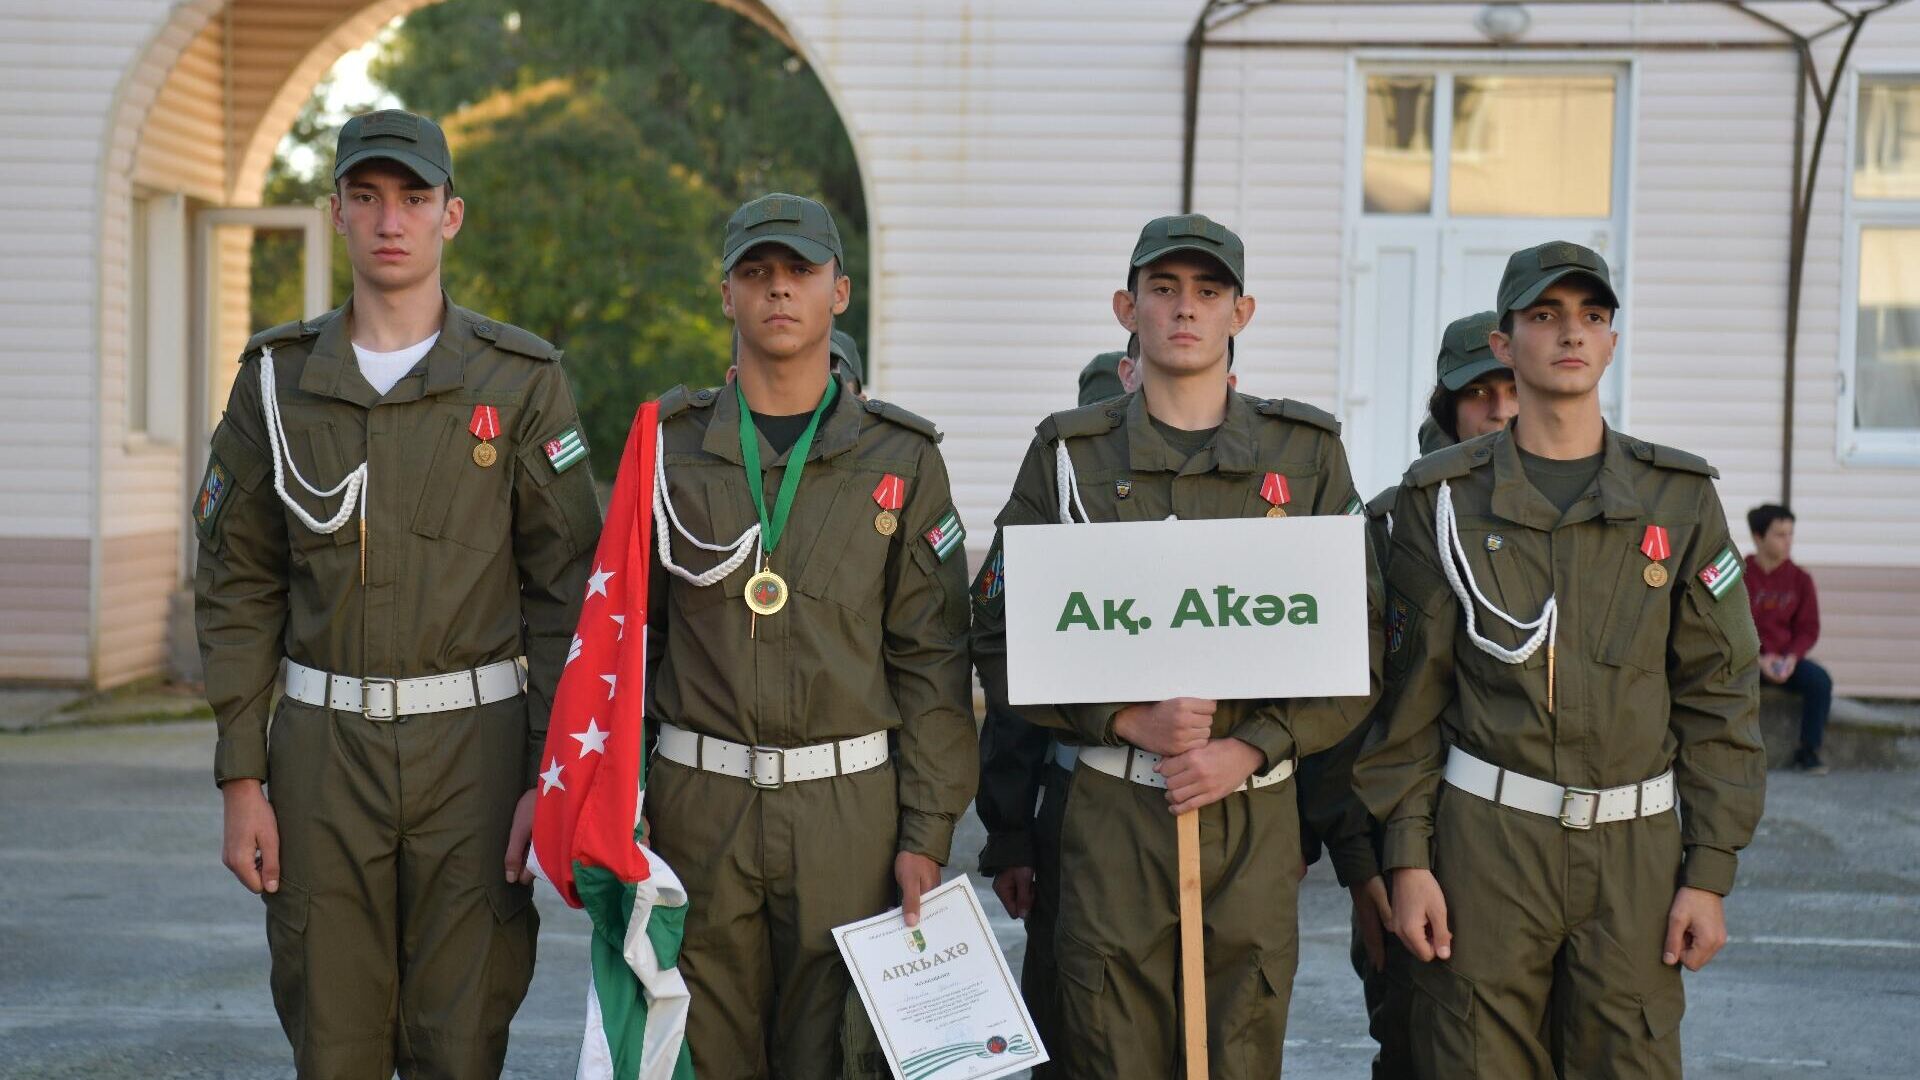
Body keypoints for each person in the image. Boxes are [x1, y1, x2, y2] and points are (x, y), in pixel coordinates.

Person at [195, 109, 601, 1077]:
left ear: (450, 216)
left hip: (477, 757)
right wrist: (241, 780)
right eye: (368, 197)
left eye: (414, 198)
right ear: (335, 211)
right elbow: (238, 586)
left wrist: (547, 779)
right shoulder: (276, 383)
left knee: (458, 1045)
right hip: (321, 761)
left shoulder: (520, 380)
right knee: (332, 1041)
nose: (391, 219)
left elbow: (565, 593)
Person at [971, 213, 1381, 1077]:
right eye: (1163, 290)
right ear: (1128, 307)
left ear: (1244, 311)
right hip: (1111, 815)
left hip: (1249, 809)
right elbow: (999, 635)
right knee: (1103, 1046)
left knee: (1237, 1047)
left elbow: (1361, 646)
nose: (1184, 309)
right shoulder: (1066, 457)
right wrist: (1122, 719)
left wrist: (1251, 747)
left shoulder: (1304, 457)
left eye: (1208, 291)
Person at [1355, 241, 1766, 1078]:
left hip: (1635, 855)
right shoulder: (1441, 500)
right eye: (1544, 316)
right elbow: (1408, 707)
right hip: (1486, 850)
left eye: (1591, 316)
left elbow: (1720, 695)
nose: (1570, 333)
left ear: (1611, 341)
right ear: (1505, 343)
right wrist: (1407, 859)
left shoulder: (1677, 500)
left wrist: (1710, 873)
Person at [641, 192, 976, 1078]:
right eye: (756, 273)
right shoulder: (666, 449)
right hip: (697, 802)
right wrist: (618, 814)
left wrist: (927, 832)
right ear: (726, 295)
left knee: (836, 1054)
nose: (777, 292)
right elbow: (632, 646)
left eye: (798, 273)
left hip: (847, 812)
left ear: (841, 291)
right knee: (698, 1050)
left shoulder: (902, 459)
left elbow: (931, 666)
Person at [1295, 309, 1513, 1079]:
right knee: (1417, 1046)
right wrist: (1362, 866)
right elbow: (1348, 713)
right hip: (1409, 848)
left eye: (1511, 387)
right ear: (1446, 407)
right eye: (1478, 392)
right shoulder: (1391, 528)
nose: (1499, 407)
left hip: (1528, 848)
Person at [971, 347, 1138, 1078]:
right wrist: (1010, 832)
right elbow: (1014, 699)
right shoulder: (1052, 504)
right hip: (1076, 797)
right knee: (1070, 1013)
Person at [1745, 503, 1832, 774]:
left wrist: (1792, 658)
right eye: (1780, 535)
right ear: (1759, 537)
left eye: (1790, 534)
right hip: (1747, 660)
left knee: (1819, 681)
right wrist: (1757, 659)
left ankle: (1807, 752)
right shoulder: (1740, 573)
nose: (1788, 541)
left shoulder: (1800, 579)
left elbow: (1808, 628)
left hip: (1785, 660)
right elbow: (1725, 625)